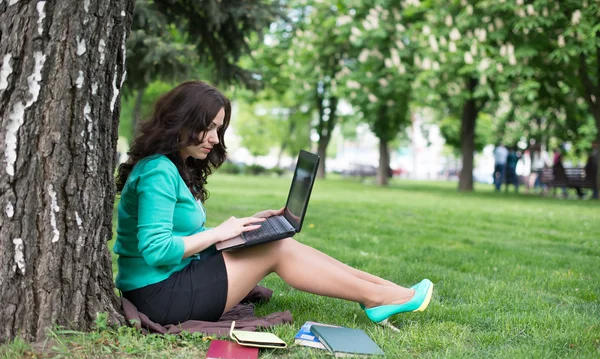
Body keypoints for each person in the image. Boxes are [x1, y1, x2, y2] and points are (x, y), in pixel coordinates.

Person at [113, 81, 433, 328]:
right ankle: (379, 297)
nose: (214, 138)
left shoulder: (172, 166)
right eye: (207, 127)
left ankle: (386, 291)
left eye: (218, 129)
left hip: (171, 280)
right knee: (276, 249)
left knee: (277, 239)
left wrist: (245, 226)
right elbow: (156, 250)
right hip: (158, 296)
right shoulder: (158, 172)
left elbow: (176, 235)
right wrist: (219, 233)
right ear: (179, 121)